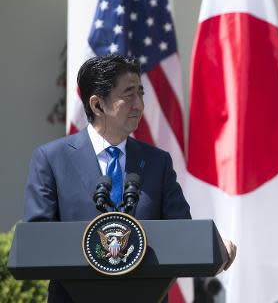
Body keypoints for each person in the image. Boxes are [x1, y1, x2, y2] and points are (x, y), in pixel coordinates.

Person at [23, 55, 236, 302]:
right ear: (97, 105)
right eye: (129, 94)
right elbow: (38, 241)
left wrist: (214, 247)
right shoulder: (51, 160)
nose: (139, 105)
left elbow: (182, 233)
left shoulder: (158, 162)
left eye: (141, 93)